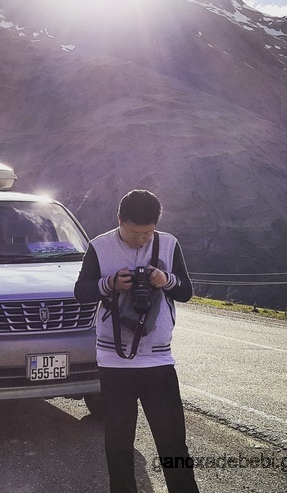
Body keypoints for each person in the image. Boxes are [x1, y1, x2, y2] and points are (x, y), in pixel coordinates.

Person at [74, 190, 200, 493]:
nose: (139, 240)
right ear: (120, 220)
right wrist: (111, 284)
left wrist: (165, 280)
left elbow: (185, 291)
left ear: (156, 225)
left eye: (147, 234)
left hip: (158, 358)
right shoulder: (100, 246)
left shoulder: (168, 244)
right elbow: (81, 292)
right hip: (114, 360)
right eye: (132, 233)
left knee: (173, 441)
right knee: (118, 441)